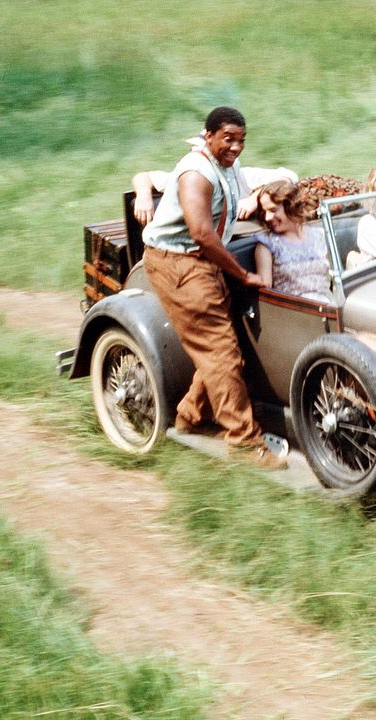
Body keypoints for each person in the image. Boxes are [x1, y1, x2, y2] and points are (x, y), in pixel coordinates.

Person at [141, 106, 287, 470]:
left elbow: (282, 177)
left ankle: (190, 416)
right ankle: (243, 442)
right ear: (208, 136)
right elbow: (202, 234)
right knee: (221, 354)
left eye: (241, 140)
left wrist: (259, 198)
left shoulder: (225, 164)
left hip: (199, 262)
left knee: (222, 350)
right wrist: (242, 274)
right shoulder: (196, 173)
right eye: (228, 139)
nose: (236, 147)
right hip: (181, 264)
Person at [131, 136, 298, 227]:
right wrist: (144, 195)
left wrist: (253, 199)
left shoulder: (239, 176)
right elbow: (144, 177)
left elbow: (287, 177)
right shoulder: (188, 178)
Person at [252, 179, 332, 303]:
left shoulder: (320, 235)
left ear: (291, 206)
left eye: (273, 210)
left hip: (329, 305)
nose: (267, 217)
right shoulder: (267, 245)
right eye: (265, 211)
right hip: (295, 312)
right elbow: (265, 292)